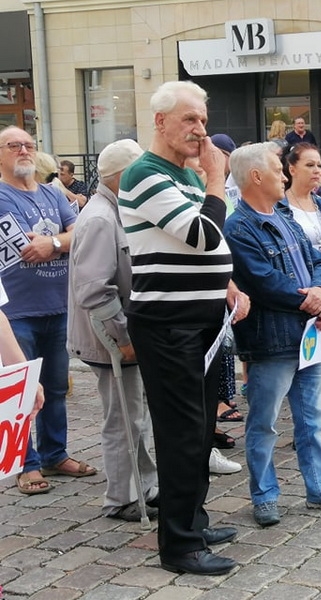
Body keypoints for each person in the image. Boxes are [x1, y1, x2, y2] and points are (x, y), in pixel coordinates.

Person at [118, 80, 249, 576]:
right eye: (190, 120)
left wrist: (228, 283)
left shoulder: (185, 176)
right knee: (181, 435)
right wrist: (216, 179)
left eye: (203, 120)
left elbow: (215, 244)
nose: (201, 130)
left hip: (202, 319)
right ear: (160, 122)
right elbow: (203, 233)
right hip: (167, 323)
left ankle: (192, 520)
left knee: (200, 428)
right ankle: (179, 545)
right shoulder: (145, 174)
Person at [224, 143, 321, 527]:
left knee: (313, 417)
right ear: (256, 176)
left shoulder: (283, 215)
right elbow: (262, 281)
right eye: (277, 169)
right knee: (264, 423)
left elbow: (318, 258)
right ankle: (265, 495)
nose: (284, 176)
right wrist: (315, 303)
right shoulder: (239, 226)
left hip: (306, 336)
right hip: (271, 341)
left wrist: (320, 291)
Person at [67, 139, 161, 520]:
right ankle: (122, 497)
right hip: (108, 339)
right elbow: (94, 290)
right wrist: (122, 339)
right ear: (123, 177)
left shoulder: (116, 210)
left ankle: (144, 486)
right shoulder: (100, 218)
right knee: (123, 420)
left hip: (118, 335)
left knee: (133, 417)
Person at [0, 126, 89, 496]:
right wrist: (61, 242)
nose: (24, 151)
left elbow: (80, 233)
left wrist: (54, 241)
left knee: (55, 386)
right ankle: (26, 464)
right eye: (14, 145)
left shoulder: (53, 192)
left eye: (29, 145)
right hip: (16, 310)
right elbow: (24, 248)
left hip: (58, 304)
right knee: (20, 390)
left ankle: (55, 453)